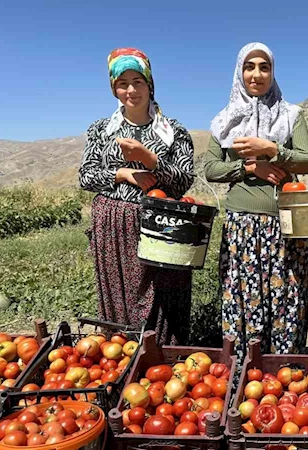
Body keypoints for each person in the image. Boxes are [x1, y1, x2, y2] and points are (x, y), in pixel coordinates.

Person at [204, 42, 308, 361]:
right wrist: (248, 166)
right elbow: (211, 168)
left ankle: (284, 373)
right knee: (243, 300)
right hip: (241, 227)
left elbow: (307, 161)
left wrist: (271, 149)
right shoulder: (224, 120)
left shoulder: (292, 115)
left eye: (264, 67)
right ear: (239, 72)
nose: (257, 74)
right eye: (249, 66)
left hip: (286, 226)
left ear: (273, 72)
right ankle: (244, 375)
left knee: (286, 300)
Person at [78, 47, 195, 344]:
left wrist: (149, 159)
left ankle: (165, 357)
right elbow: (86, 176)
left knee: (165, 293)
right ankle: (121, 356)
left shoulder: (174, 132)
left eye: (138, 81)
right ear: (114, 88)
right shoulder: (101, 130)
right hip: (113, 226)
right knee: (120, 291)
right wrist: (122, 173)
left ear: (150, 84)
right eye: (122, 83)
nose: (131, 90)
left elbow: (183, 182)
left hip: (163, 225)